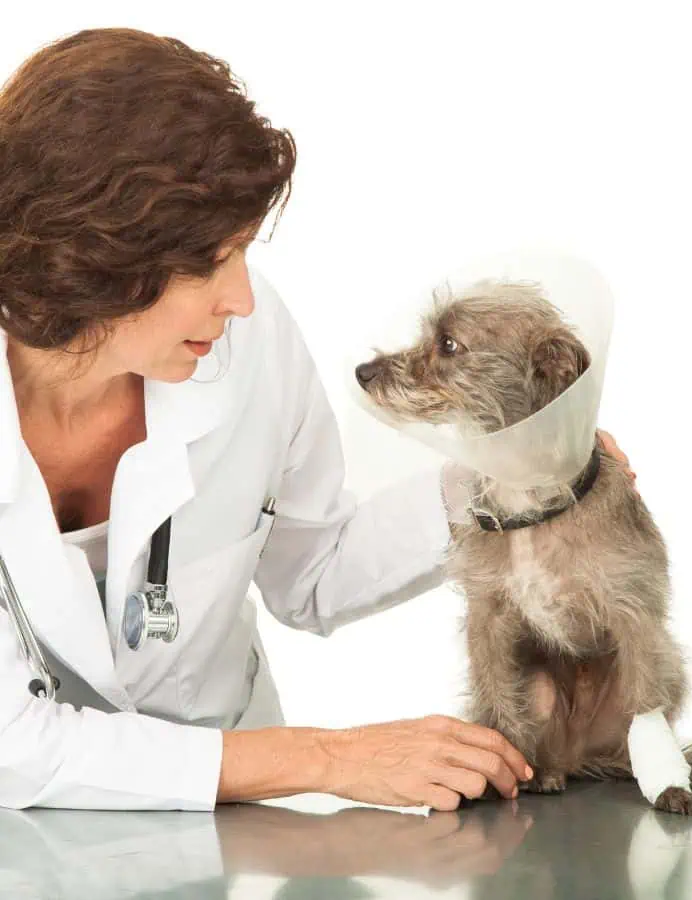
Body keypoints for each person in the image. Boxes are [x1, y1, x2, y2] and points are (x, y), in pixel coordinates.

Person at [0, 27, 635, 812]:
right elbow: (17, 747)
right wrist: (328, 758)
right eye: (207, 263)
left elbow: (314, 572)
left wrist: (503, 482)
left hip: (229, 845)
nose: (241, 297)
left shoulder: (246, 342)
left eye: (242, 252)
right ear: (90, 256)